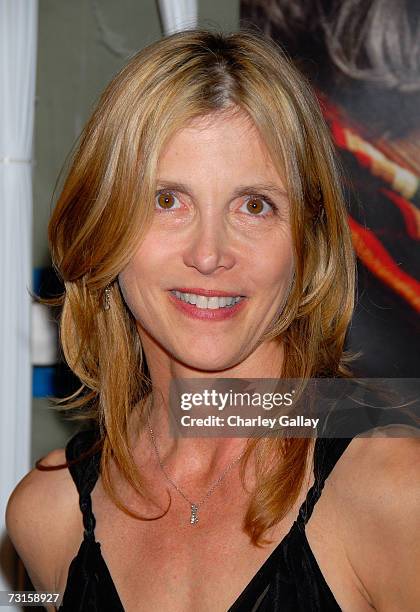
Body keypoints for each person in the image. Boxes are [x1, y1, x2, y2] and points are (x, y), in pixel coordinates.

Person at [5, 29, 420, 611]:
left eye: (254, 205)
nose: (208, 254)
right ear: (103, 228)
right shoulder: (48, 514)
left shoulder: (396, 492)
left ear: (307, 242)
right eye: (166, 200)